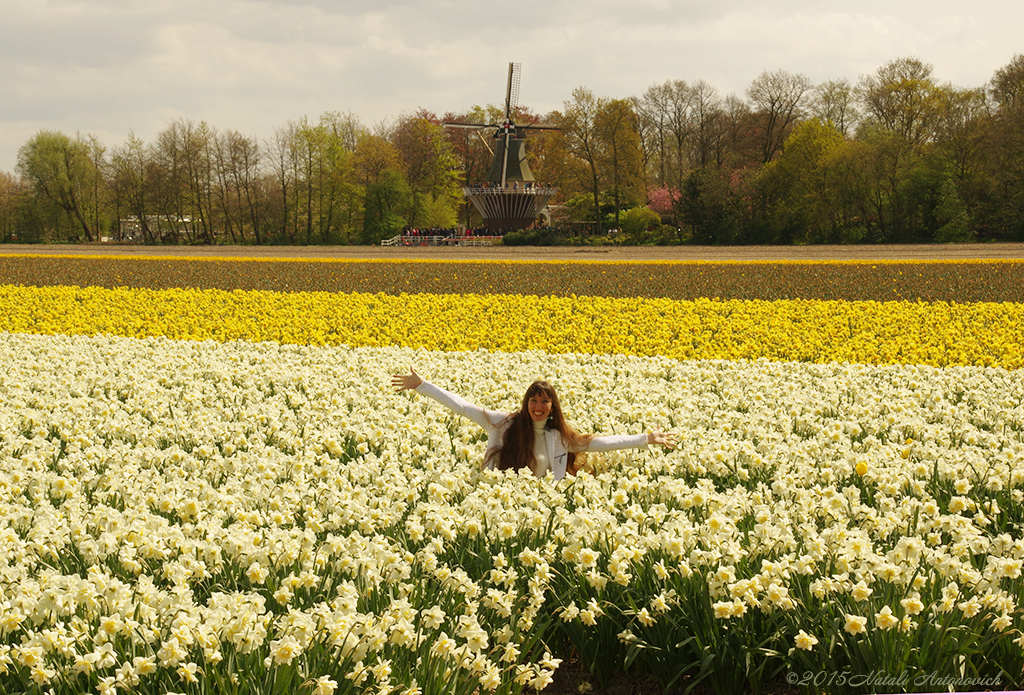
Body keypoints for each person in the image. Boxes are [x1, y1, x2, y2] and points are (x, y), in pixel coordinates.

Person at [392, 368, 677, 480]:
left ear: (552, 408)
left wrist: (644, 439)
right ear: (526, 402)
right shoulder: (503, 425)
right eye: (534, 400)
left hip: (543, 505)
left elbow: (598, 443)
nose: (538, 407)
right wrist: (423, 386)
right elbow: (463, 407)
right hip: (503, 501)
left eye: (544, 402)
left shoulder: (559, 436)